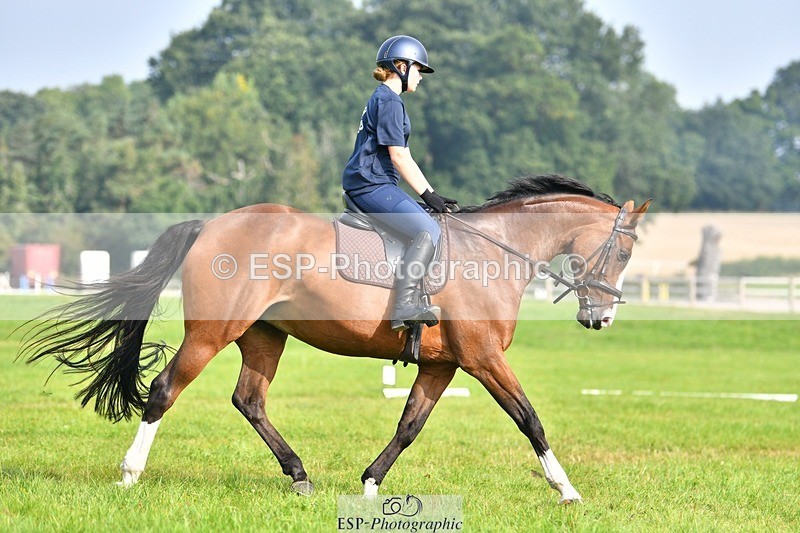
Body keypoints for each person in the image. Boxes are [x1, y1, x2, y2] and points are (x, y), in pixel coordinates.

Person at [342, 35, 458, 331]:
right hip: (371, 185)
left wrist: (431, 196)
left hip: (374, 184)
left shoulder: (382, 98)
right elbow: (400, 157)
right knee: (427, 229)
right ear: (401, 66)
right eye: (419, 69)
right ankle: (405, 305)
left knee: (427, 220)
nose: (420, 77)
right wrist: (430, 195)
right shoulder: (390, 102)